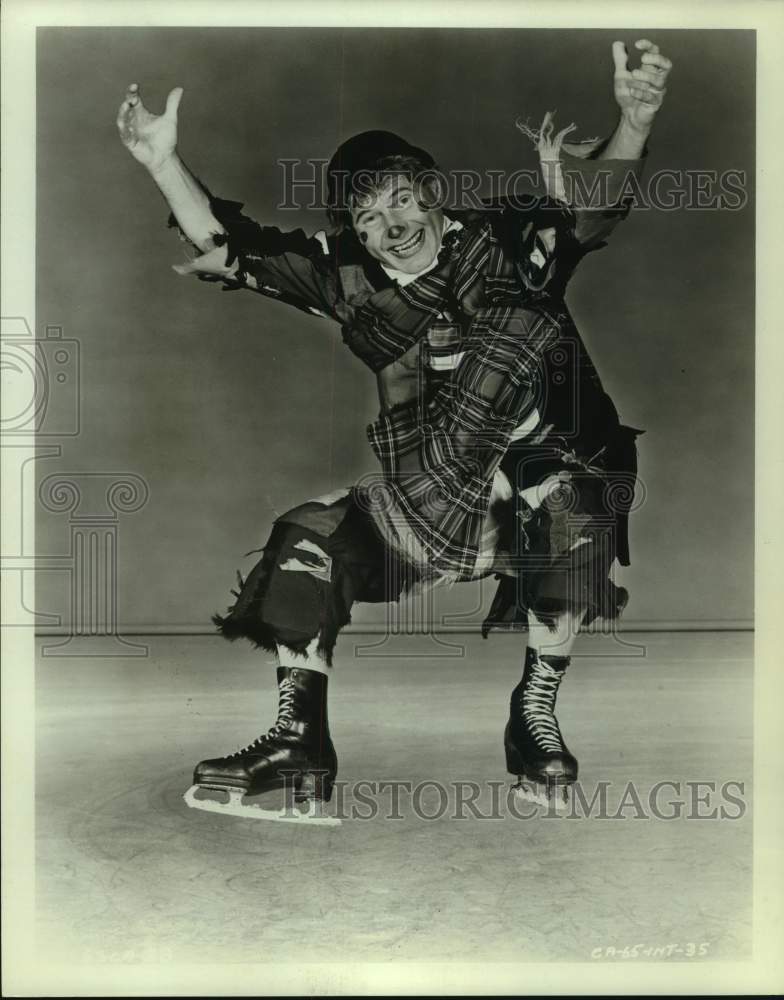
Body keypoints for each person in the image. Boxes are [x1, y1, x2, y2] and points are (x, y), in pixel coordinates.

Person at [117, 38, 672, 820]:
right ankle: (300, 742)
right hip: (433, 499)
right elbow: (232, 250)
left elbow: (594, 209)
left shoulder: (508, 242)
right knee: (306, 537)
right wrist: (162, 163)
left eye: (403, 201)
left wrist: (635, 120)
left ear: (434, 195)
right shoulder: (348, 275)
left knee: (570, 502)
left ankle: (535, 717)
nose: (392, 225)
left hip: (547, 482)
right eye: (369, 216)